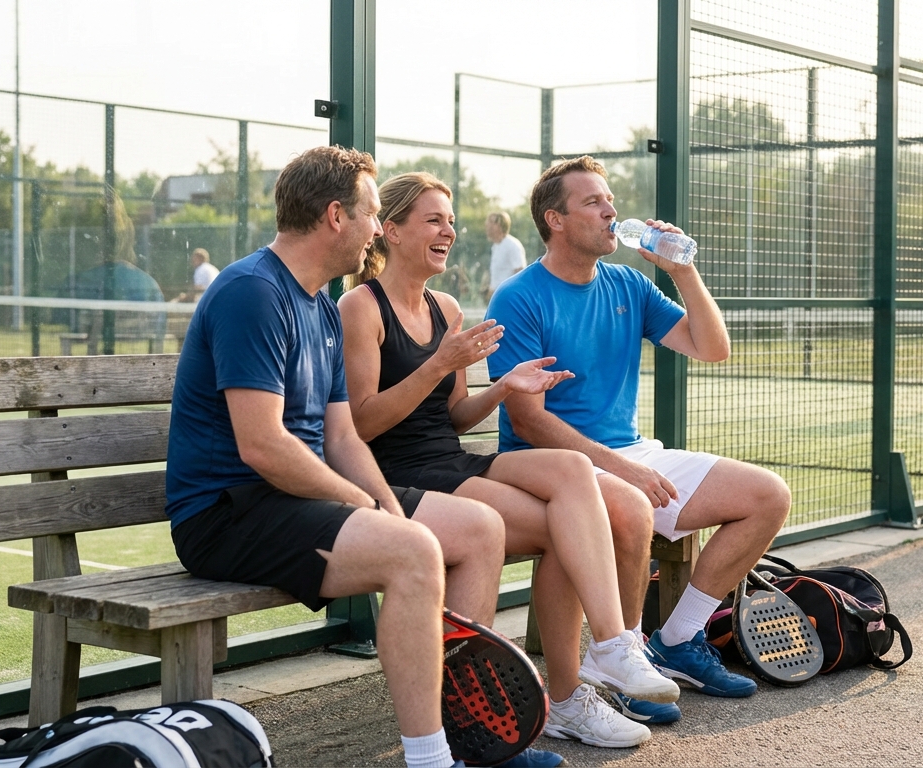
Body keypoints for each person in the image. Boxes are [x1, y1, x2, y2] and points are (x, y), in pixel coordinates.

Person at [166, 146, 505, 768]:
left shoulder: (320, 302)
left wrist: (379, 502)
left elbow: (344, 436)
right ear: (334, 216)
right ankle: (431, 760)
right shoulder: (252, 293)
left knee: (479, 529)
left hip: (293, 499)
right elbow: (262, 445)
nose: (378, 228)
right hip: (227, 514)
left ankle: (466, 736)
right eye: (373, 213)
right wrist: (362, 506)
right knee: (412, 551)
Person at [339, 173, 678, 751]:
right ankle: (555, 697)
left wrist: (504, 386)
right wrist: (436, 364)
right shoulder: (359, 307)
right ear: (390, 230)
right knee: (565, 529)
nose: (449, 230)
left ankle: (613, 648)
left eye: (450, 220)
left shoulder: (442, 306)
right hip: (397, 476)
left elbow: (453, 418)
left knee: (571, 475)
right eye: (434, 220)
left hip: (448, 458)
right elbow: (361, 424)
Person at [487, 156, 792, 720]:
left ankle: (674, 642)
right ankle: (619, 664)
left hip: (628, 451)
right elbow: (528, 421)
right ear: (555, 220)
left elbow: (712, 347)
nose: (611, 211)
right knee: (629, 506)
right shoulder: (519, 296)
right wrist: (624, 469)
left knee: (766, 495)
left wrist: (682, 271)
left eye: (610, 200)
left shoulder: (628, 282)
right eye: (593, 203)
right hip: (551, 464)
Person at [485, 211, 526, 300]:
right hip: (497, 297)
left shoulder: (512, 245)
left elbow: (520, 273)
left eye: (493, 223)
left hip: (508, 298)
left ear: (502, 225)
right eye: (488, 222)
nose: (488, 226)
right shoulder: (495, 246)